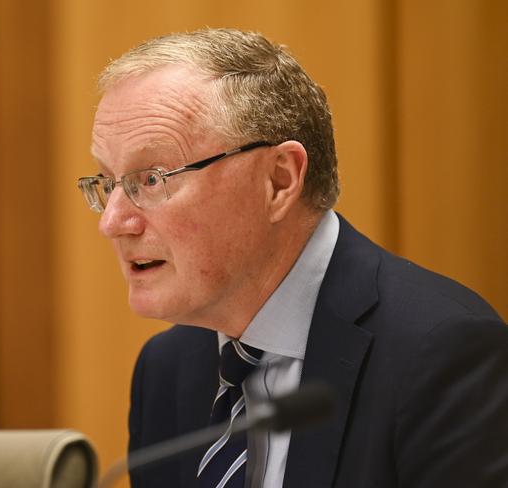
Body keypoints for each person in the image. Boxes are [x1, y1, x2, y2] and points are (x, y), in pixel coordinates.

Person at [77, 28, 507, 488]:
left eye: (152, 178)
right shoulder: (166, 369)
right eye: (107, 183)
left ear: (279, 181)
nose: (114, 222)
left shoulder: (440, 354)